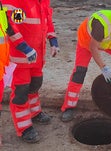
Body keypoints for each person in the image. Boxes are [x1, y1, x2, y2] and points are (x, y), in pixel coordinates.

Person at [60, 9, 111, 122]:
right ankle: (68, 107)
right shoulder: (101, 24)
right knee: (79, 72)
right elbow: (93, 48)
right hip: (87, 42)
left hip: (108, 42)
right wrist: (104, 67)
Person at [2, 0, 60, 143]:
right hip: (20, 58)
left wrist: (53, 41)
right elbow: (11, 26)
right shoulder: (18, 1)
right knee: (21, 91)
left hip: (37, 56)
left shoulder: (43, 2)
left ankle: (34, 113)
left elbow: (47, 21)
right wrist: (24, 48)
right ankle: (24, 127)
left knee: (35, 85)